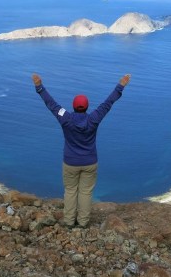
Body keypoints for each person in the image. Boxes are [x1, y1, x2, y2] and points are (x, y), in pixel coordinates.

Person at [32, 72, 131, 228]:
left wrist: (39, 86)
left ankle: (69, 221)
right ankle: (83, 222)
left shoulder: (65, 118)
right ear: (86, 107)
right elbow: (108, 103)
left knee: (70, 191)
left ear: (73, 106)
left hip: (70, 162)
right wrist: (120, 86)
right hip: (90, 162)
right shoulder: (94, 118)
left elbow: (51, 104)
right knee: (85, 192)